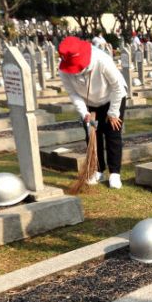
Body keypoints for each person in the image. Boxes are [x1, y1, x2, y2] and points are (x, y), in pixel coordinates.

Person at [58, 36, 128, 189]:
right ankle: (97, 170)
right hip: (88, 102)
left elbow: (118, 88)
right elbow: (73, 94)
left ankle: (115, 173)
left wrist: (113, 113)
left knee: (112, 132)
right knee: (92, 135)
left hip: (112, 97)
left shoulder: (101, 60)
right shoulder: (63, 70)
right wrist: (84, 113)